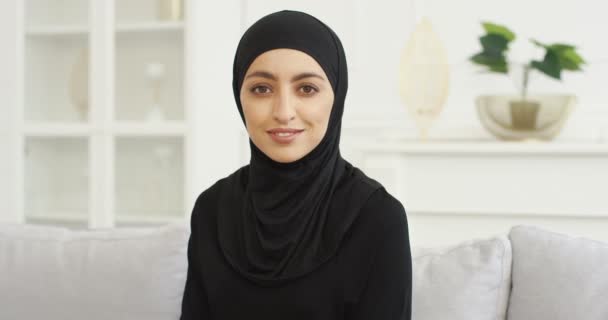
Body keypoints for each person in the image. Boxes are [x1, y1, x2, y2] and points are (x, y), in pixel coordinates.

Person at [180, 10, 412, 320]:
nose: (283, 111)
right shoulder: (212, 209)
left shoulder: (377, 218)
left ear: (337, 96)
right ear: (239, 96)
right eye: (262, 89)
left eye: (307, 89)